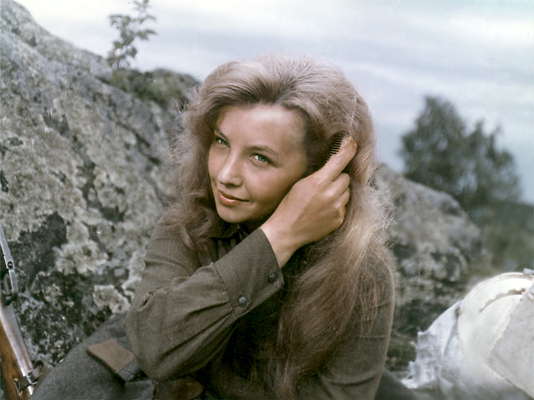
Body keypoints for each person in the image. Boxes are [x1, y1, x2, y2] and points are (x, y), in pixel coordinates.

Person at [125, 55, 397, 400]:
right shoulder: (192, 223)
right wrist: (278, 237)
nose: (225, 175)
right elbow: (154, 349)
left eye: (260, 158)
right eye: (221, 142)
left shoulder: (363, 271)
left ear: (319, 173)